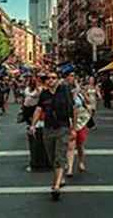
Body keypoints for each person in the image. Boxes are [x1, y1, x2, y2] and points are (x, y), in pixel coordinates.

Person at [30, 70, 75, 200]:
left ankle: (56, 186)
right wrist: (33, 125)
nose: (51, 80)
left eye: (53, 78)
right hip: (48, 129)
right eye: (48, 78)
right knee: (52, 157)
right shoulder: (44, 95)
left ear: (58, 80)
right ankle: (61, 176)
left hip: (63, 128)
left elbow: (73, 110)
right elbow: (38, 110)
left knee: (59, 156)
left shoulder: (64, 92)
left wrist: (73, 128)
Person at [65, 71, 93, 177]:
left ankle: (81, 162)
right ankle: (70, 168)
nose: (72, 78)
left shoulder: (80, 94)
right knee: (70, 145)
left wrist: (83, 93)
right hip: (69, 121)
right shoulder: (64, 92)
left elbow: (89, 102)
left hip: (80, 122)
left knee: (80, 145)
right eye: (70, 76)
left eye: (73, 76)